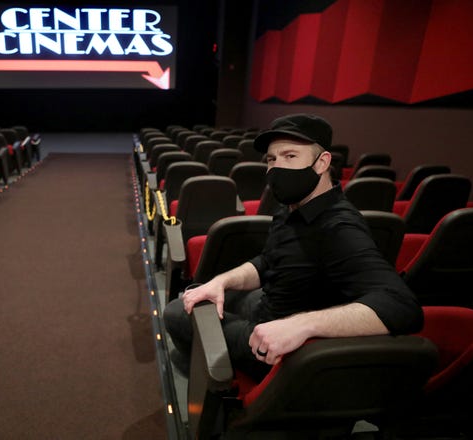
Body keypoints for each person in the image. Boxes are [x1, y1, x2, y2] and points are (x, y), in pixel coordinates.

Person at [163, 113, 423, 380]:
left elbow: (402, 306)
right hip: (272, 307)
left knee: (176, 311)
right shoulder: (293, 206)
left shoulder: (339, 227)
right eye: (271, 159)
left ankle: (220, 386)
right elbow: (268, 260)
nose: (276, 168)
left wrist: (302, 325)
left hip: (277, 349)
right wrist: (221, 281)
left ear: (322, 163)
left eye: (290, 156)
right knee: (199, 293)